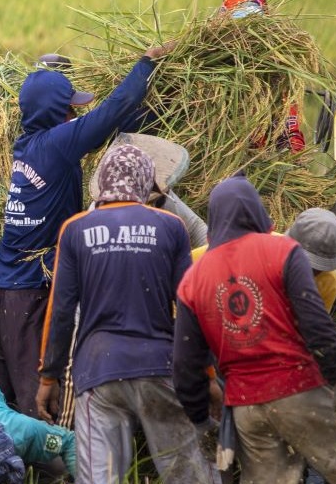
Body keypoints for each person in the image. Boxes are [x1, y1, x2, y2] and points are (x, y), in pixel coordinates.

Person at [0, 43, 171, 417]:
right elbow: (112, 110)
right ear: (58, 111)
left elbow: (106, 126)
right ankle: (51, 469)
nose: (77, 109)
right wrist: (146, 64)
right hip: (29, 296)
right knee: (37, 404)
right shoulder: (56, 145)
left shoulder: (27, 146)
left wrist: (143, 117)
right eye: (72, 104)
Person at [172, 175, 336, 484]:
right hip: (296, 389)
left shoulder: (192, 276)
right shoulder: (283, 252)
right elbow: (318, 329)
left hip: (245, 407)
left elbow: (185, 362)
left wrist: (200, 419)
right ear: (258, 212)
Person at [36, 144, 213, 484]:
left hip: (98, 373)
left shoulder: (75, 229)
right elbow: (192, 307)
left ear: (102, 181)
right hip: (161, 366)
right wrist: (205, 372)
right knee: (187, 475)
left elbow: (60, 312)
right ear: (146, 183)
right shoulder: (171, 226)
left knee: (102, 478)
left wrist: (49, 377)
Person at [220, 0, 305, 153]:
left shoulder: (278, 72)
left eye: (253, 24)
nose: (246, 33)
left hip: (259, 159)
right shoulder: (211, 63)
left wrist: (293, 159)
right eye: (239, 21)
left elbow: (291, 133)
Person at [286, 207, 336, 312]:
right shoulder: (261, 248)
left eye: (315, 268)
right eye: (300, 261)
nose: (306, 272)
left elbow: (312, 323)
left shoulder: (328, 281)